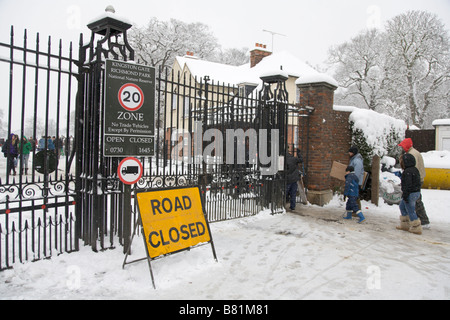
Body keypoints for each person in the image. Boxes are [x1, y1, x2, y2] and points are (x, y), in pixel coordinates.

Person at [398, 138, 430, 229]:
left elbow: (412, 171)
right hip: (417, 179)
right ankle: (414, 221)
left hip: (415, 181)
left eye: (403, 146)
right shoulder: (414, 152)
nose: (403, 148)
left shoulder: (412, 154)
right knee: (413, 202)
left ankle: (422, 222)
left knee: (415, 202)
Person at [396, 153, 422, 235]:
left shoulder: (408, 172)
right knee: (402, 206)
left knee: (410, 210)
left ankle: (416, 227)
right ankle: (405, 224)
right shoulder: (414, 169)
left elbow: (408, 185)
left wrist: (406, 195)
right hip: (416, 192)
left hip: (410, 193)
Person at [348, 146, 364, 210]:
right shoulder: (354, 159)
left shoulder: (357, 161)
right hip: (355, 180)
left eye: (350, 152)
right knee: (354, 196)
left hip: (356, 181)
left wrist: (353, 180)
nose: (349, 153)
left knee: (355, 196)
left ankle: (357, 210)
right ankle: (356, 210)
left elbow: (357, 172)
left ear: (353, 153)